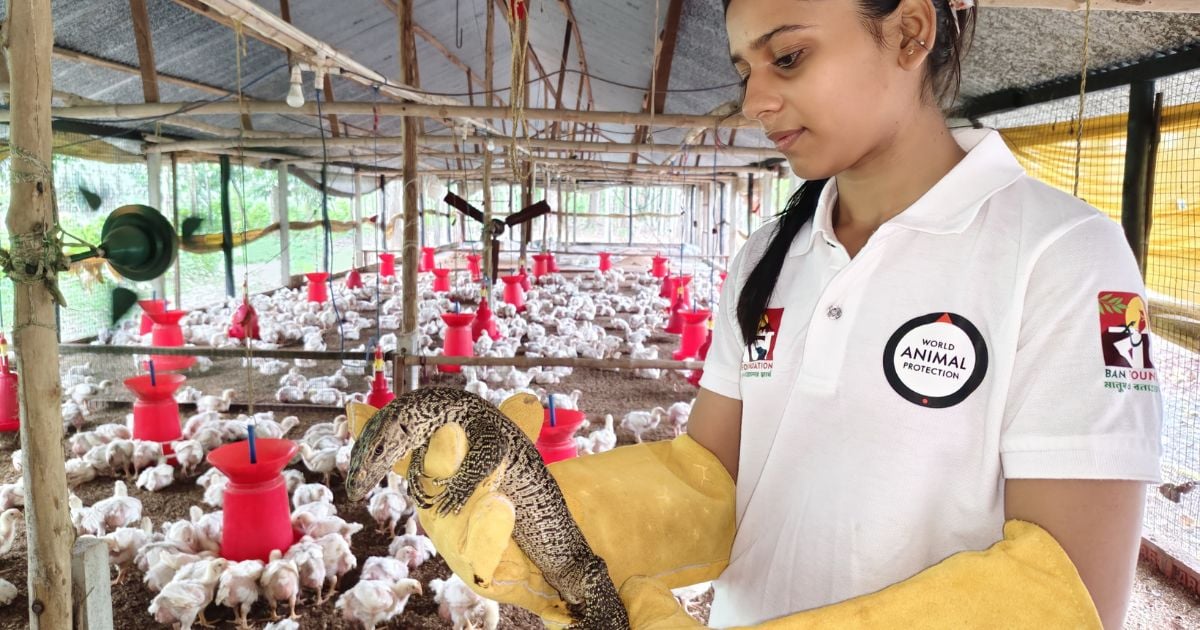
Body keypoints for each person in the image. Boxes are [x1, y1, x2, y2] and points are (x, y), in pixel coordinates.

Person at [384, 0, 1163, 628]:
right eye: (745, 68)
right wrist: (540, 516)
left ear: (910, 31)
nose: (756, 100)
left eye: (788, 56)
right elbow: (710, 478)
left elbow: (1066, 596)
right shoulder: (768, 256)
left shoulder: (1063, 256)